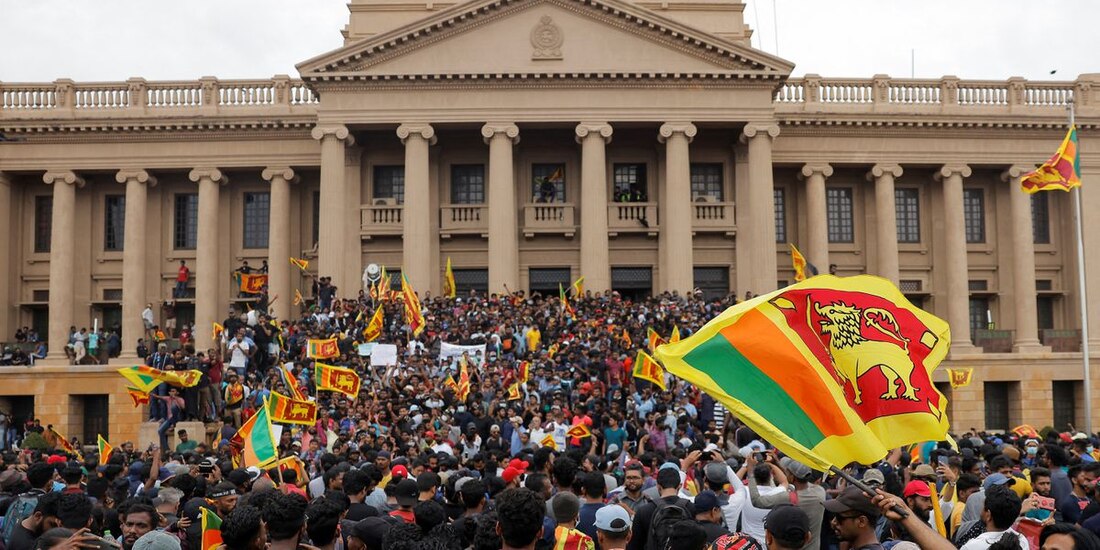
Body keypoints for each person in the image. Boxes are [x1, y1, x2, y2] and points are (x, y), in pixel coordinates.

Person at [746, 453, 826, 550]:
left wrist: (751, 472)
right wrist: (777, 464)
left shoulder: (788, 498)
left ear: (792, 477)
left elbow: (757, 501)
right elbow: (792, 479)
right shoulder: (820, 492)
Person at [960, 485, 1029, 549]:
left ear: (988, 515)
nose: (981, 510)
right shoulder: (1022, 541)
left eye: (983, 507)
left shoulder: (972, 546)